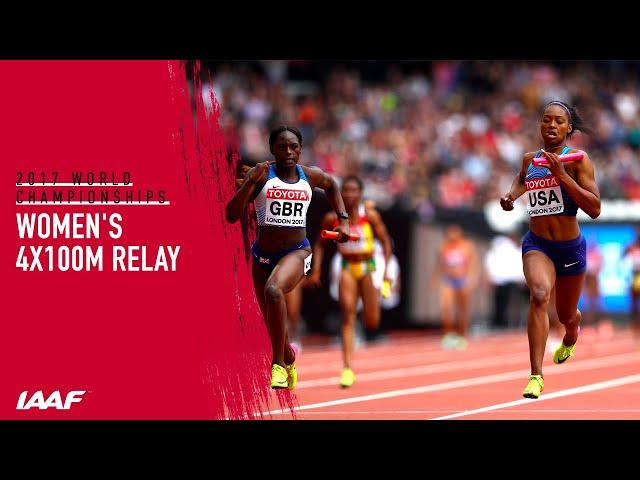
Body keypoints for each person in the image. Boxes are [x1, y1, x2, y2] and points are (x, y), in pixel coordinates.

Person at [226, 125, 350, 389]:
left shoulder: (309, 176)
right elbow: (231, 215)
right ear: (272, 149)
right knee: (270, 321)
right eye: (282, 146)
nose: (289, 151)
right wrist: (249, 181)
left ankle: (278, 366)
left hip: (297, 252)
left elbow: (332, 185)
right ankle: (289, 356)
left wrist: (344, 221)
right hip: (262, 257)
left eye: (294, 146)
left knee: (274, 290)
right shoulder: (262, 175)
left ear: (301, 149)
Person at [500, 101, 601, 399]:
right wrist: (511, 196)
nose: (552, 125)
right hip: (537, 244)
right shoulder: (529, 159)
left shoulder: (579, 160)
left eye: (558, 121)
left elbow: (594, 208)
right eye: (547, 120)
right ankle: (536, 375)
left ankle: (572, 331)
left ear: (568, 128)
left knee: (566, 314)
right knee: (540, 295)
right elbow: (522, 180)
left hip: (570, 249)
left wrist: (563, 175)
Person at [307, 176, 393, 388]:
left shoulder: (370, 215)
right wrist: (316, 269)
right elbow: (319, 244)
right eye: (345, 190)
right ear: (340, 194)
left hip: (368, 266)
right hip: (347, 267)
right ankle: (347, 369)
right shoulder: (332, 218)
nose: (349, 194)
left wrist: (386, 274)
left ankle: (371, 320)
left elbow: (385, 242)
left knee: (372, 321)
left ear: (361, 193)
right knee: (348, 316)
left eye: (354, 190)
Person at [434, 225, 479, 350]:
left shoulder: (467, 246)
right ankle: (448, 335)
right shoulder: (443, 247)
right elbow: (439, 265)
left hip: (462, 279)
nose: (451, 237)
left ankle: (462, 335)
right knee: (446, 308)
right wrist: (435, 280)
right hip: (448, 280)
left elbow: (473, 264)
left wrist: (472, 278)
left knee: (462, 310)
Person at [623, 229, 640, 338]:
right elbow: (624, 259)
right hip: (634, 277)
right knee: (634, 303)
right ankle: (634, 324)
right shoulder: (631, 247)